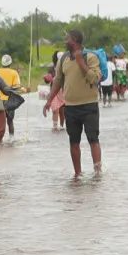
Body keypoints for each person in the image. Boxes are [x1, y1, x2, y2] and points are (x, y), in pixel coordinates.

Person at [46, 28, 103, 177]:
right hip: (70, 106)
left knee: (93, 138)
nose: (65, 42)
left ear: (75, 40)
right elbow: (58, 81)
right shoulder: (63, 58)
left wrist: (80, 62)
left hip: (89, 104)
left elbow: (94, 79)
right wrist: (49, 100)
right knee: (74, 141)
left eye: (67, 39)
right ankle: (77, 174)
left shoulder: (90, 57)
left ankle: (98, 172)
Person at [0, 54, 25, 137]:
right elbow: (17, 87)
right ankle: (11, 139)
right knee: (10, 121)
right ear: (10, 64)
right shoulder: (13, 73)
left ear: (1, 63)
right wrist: (25, 90)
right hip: (9, 101)